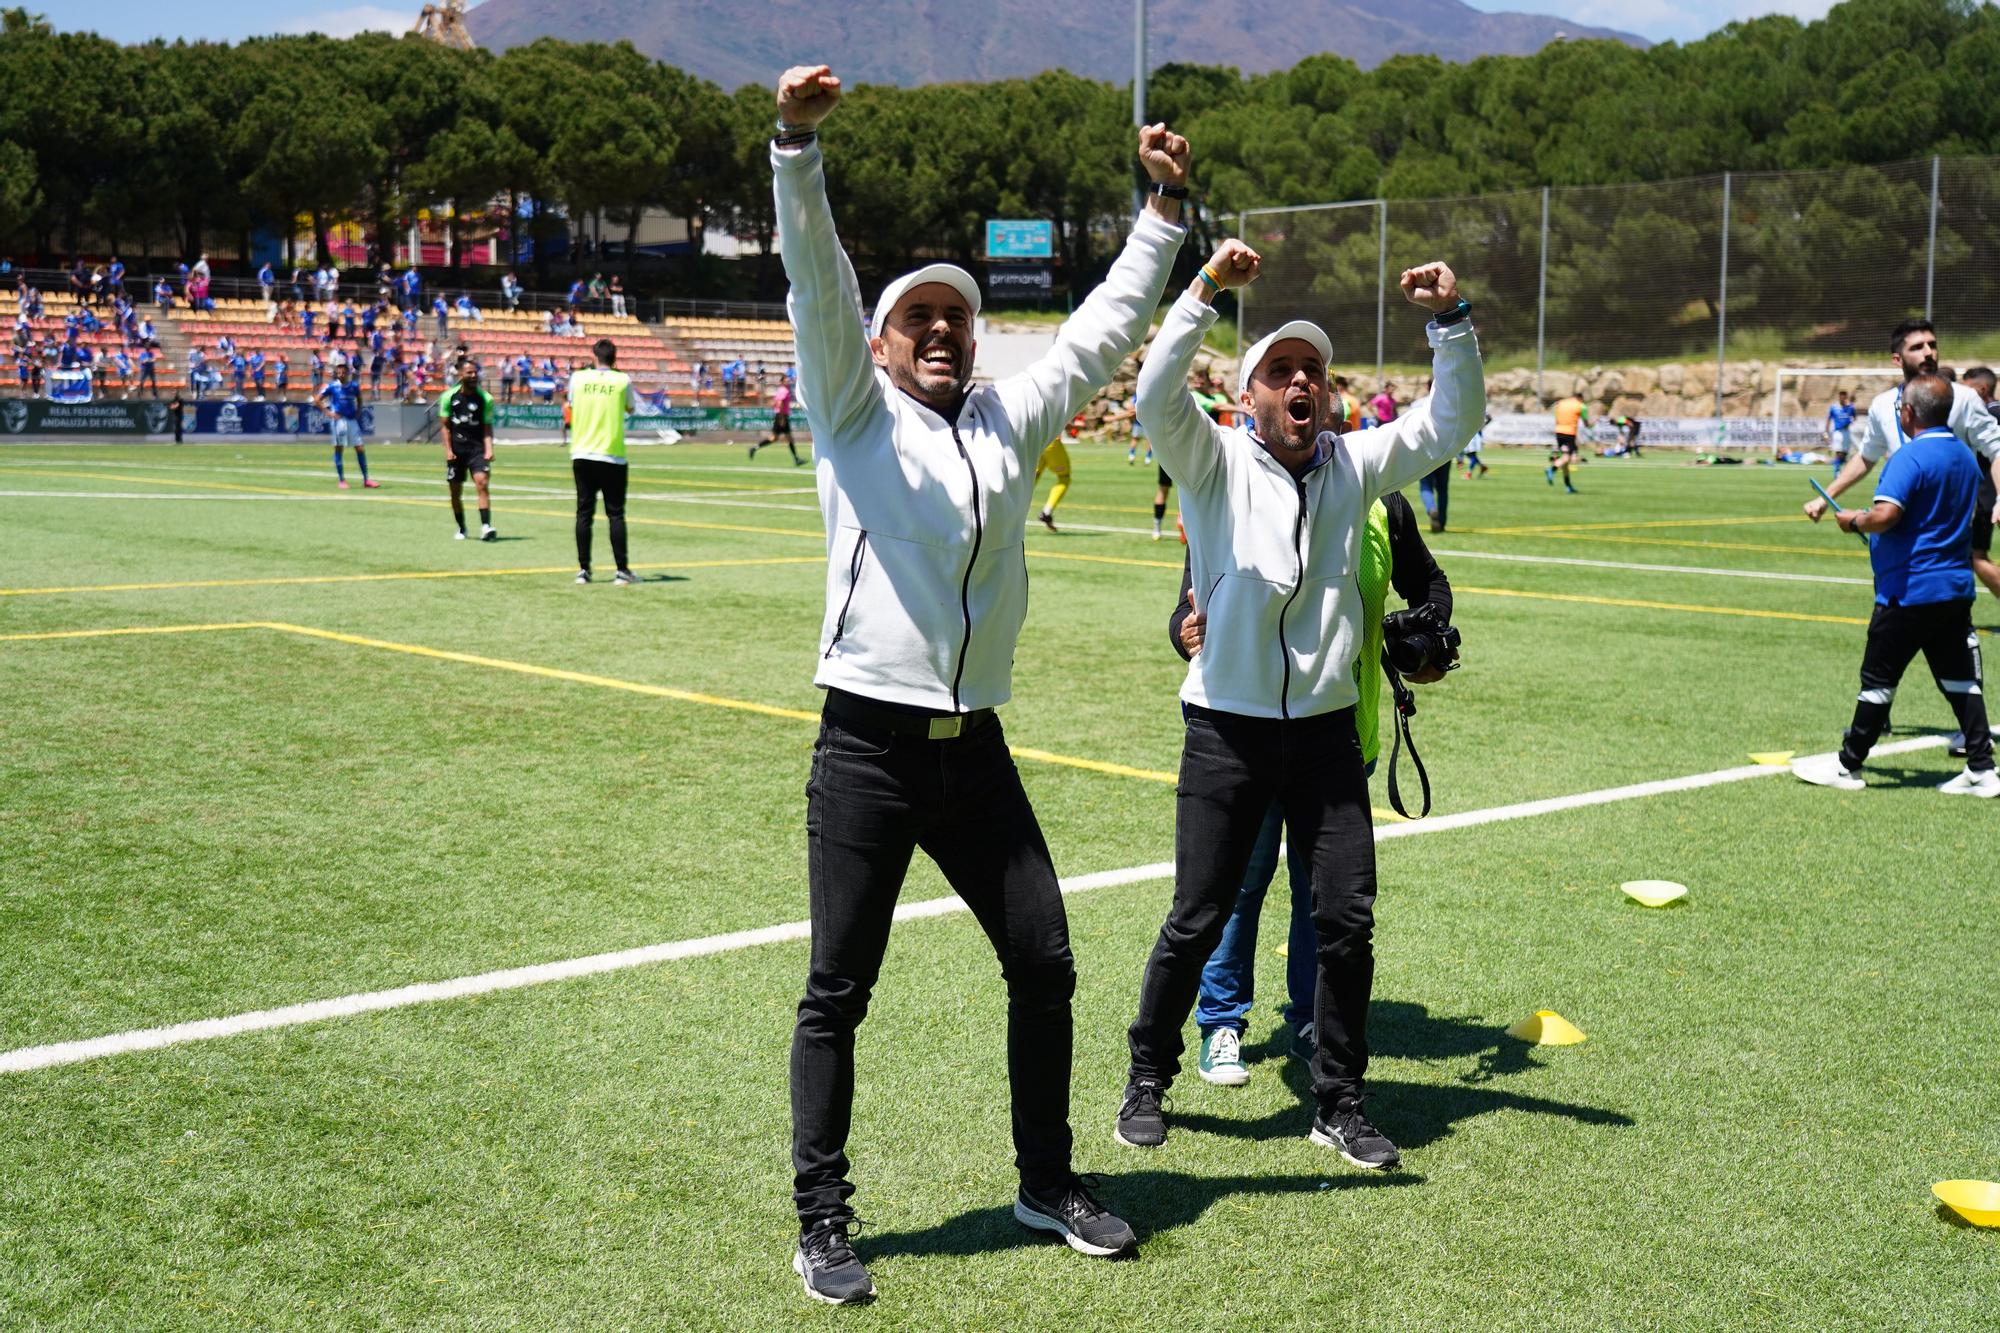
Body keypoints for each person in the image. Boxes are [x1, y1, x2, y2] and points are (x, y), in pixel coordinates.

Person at [773, 62, 1190, 1303]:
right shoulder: (852, 411)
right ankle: (822, 1218)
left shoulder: (1010, 423)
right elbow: (817, 285)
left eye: (959, 316)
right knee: (838, 988)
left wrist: (1161, 217)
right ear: (886, 347)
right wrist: (796, 148)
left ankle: (1044, 1177)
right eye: (922, 320)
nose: (946, 330)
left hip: (975, 748)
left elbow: (1103, 329)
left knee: (1045, 959)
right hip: (866, 746)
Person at [1116, 238, 1482, 1173]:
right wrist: (1203, 292)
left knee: (1346, 920)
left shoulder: (1355, 466)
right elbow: (1158, 390)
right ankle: (1148, 1075)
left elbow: (1452, 421)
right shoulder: (1209, 463)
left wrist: (1450, 325)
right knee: (1197, 915)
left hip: (1324, 738)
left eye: (1312, 370)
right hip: (1226, 731)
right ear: (1249, 397)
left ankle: (1338, 1099)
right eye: (1279, 371)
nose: (1299, 383)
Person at [1170, 483, 1452, 1085]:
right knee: (1236, 889)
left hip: (1345, 741)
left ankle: (1308, 1017)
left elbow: (1430, 587)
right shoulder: (1237, 490)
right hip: (1247, 738)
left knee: (1320, 895)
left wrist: (1425, 639)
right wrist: (1184, 631)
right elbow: (1186, 603)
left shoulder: (1380, 501)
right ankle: (1221, 1022)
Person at [1793, 374, 1996, 797]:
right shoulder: (1964, 453)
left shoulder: (1908, 457)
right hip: (1954, 588)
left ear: (1908, 412)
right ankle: (1982, 768)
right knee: (1961, 681)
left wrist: (1854, 520)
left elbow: (1887, 515)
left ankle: (1848, 765)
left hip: (1908, 589)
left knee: (1878, 680)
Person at [1805, 321, 2000, 530]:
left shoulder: (1964, 398)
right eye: (1917, 347)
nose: (1928, 352)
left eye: (1932, 345)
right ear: (1897, 359)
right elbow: (1866, 456)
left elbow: (1996, 448)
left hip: (1946, 531)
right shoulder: (1883, 404)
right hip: (1896, 529)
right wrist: (1826, 497)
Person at [568, 337, 638, 585]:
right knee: (616, 514)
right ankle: (621, 570)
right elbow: (631, 408)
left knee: (584, 513)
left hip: (582, 453)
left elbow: (572, 404)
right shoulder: (622, 380)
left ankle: (583, 570)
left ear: (593, 356)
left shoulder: (578, 378)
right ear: (614, 357)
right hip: (612, 455)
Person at [440, 357, 498, 542]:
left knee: (482, 483)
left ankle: (486, 526)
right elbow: (445, 427)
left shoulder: (485, 399)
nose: (473, 376)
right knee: (455, 492)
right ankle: (462, 527)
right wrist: (448, 450)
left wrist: (489, 449)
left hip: (477, 449)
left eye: (475, 372)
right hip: (457, 450)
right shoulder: (449, 397)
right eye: (469, 373)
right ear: (460, 374)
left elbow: (487, 427)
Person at [1957, 367, 2000, 604]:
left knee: (1977, 557)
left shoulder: (1986, 414)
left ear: (1982, 389)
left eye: (1967, 388)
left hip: (1987, 498)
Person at [316, 363, 376, 489]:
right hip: (339, 421)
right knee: (339, 448)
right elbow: (317, 399)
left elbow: (359, 398)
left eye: (343, 373)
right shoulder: (333, 386)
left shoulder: (354, 386)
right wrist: (328, 412)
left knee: (360, 448)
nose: (341, 375)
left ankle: (366, 480)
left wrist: (359, 411)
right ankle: (342, 480)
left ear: (348, 373)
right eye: (338, 373)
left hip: (352, 421)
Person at [1413, 375, 1450, 531]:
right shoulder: (1449, 405)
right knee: (1442, 488)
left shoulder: (1418, 405)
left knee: (1425, 486)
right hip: (1444, 450)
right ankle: (1441, 522)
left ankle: (1431, 508)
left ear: (1428, 387)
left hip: (1425, 451)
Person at [750, 378, 803, 464]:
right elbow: (780, 403)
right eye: (786, 380)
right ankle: (796, 459)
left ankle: (754, 448)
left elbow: (774, 403)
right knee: (787, 438)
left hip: (779, 415)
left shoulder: (780, 390)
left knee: (775, 438)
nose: (788, 382)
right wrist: (782, 417)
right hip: (782, 416)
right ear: (782, 382)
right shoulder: (785, 391)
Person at [1547, 392, 1587, 491]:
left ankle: (1568, 486)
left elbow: (1556, 418)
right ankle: (1551, 470)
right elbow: (1586, 423)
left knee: (1565, 461)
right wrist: (1591, 425)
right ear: (1580, 398)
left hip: (1559, 432)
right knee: (1566, 458)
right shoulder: (1581, 406)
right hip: (1569, 433)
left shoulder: (1561, 403)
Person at [1034, 434, 1072, 531]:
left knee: (1032, 479)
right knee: (1064, 477)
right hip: (1050, 440)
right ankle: (1047, 512)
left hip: (1033, 441)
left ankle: (1010, 509)